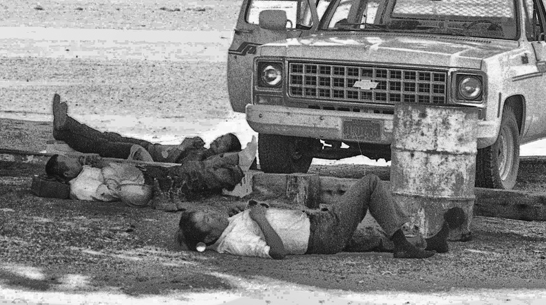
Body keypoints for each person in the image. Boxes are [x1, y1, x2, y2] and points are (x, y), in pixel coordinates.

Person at [176, 174, 466, 260]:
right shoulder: (235, 241)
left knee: (373, 239)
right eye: (206, 220)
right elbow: (276, 252)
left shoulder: (229, 227)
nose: (211, 214)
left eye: (206, 212)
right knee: (371, 184)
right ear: (210, 237)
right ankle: (403, 242)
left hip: (318, 228)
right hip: (322, 232)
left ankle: (433, 242)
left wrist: (245, 214)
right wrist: (260, 218)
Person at [51, 94, 239, 163]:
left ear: (226, 152)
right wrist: (192, 143)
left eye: (223, 143)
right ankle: (63, 126)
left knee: (104, 145)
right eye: (220, 137)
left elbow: (173, 166)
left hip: (146, 157)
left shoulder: (204, 163)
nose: (217, 140)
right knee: (110, 136)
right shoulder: (203, 151)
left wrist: (183, 146)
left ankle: (65, 125)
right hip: (150, 146)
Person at [45, 154, 153, 206]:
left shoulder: (82, 169)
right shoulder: (79, 187)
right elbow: (113, 193)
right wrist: (106, 168)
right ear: (67, 173)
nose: (74, 159)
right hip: (141, 188)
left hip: (137, 175)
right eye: (69, 160)